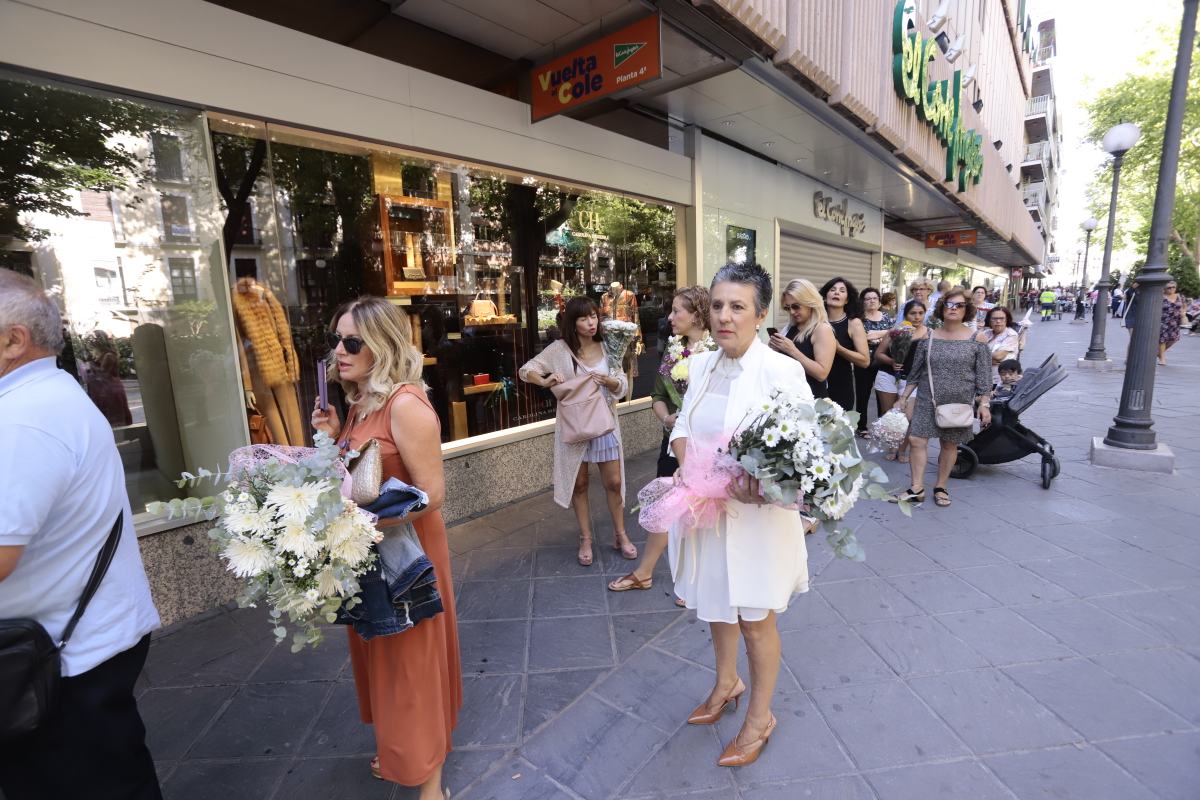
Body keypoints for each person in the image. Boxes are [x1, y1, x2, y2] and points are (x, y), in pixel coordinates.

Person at [0, 270, 162, 800]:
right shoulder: (49, 397)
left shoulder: (22, 420)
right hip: (78, 644)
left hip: (56, 662)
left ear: (12, 340)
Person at [311, 296, 461, 797]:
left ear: (383, 345)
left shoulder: (405, 405)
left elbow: (432, 495)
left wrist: (366, 521)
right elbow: (359, 478)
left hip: (406, 556)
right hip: (371, 552)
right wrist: (334, 439)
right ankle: (403, 746)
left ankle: (431, 783)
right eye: (337, 339)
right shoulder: (358, 404)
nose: (340, 349)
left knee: (412, 663)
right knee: (383, 657)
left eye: (352, 341)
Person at [667, 261, 812, 767]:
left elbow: (803, 450)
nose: (724, 316)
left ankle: (760, 716)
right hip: (706, 510)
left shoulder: (781, 370)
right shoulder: (703, 364)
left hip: (757, 519)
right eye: (718, 305)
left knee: (754, 619)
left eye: (737, 306)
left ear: (761, 314)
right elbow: (681, 428)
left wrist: (766, 482)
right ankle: (727, 682)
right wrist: (692, 472)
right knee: (715, 603)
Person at [609, 286, 710, 597]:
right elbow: (657, 395)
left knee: (701, 512)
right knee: (664, 507)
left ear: (697, 314)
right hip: (673, 441)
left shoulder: (720, 352)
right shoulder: (671, 349)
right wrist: (667, 417)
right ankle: (644, 573)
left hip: (706, 446)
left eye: (677, 310)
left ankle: (694, 581)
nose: (670, 316)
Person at [519, 297, 635, 565]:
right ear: (572, 322)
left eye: (594, 316)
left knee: (614, 483)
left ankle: (620, 534)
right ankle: (585, 538)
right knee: (579, 483)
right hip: (574, 426)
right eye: (584, 318)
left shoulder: (609, 347)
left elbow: (622, 387)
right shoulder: (560, 350)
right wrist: (546, 380)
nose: (591, 322)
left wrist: (610, 381)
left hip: (604, 422)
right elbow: (527, 370)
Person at [894, 288, 992, 508]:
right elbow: (916, 372)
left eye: (959, 305)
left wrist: (984, 404)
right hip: (928, 398)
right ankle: (916, 488)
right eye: (949, 304)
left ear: (967, 310)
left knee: (949, 445)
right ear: (942, 307)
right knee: (917, 440)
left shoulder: (978, 339)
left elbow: (985, 377)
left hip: (958, 401)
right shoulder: (929, 337)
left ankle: (941, 486)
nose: (953, 309)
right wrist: (903, 397)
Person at [873, 299, 929, 462]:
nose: (917, 317)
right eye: (913, 313)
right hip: (888, 376)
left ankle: (903, 449)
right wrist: (892, 361)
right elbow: (879, 354)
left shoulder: (929, 333)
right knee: (890, 415)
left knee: (908, 417)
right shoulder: (896, 331)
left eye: (920, 313)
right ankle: (892, 447)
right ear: (905, 315)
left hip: (912, 380)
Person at [769, 278, 834, 398]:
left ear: (810, 303)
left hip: (812, 399)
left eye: (796, 306)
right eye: (788, 308)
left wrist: (791, 350)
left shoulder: (822, 329)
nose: (792, 312)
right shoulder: (791, 327)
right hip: (790, 397)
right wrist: (775, 348)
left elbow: (822, 373)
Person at [819, 276, 870, 412]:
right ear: (824, 297)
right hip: (817, 383)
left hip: (841, 385)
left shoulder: (854, 323)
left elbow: (865, 361)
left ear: (847, 299)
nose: (836, 292)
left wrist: (839, 348)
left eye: (842, 291)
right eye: (832, 290)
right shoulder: (816, 321)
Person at [856, 287, 893, 435]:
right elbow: (861, 337)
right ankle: (861, 427)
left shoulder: (886, 317)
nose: (871, 301)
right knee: (862, 395)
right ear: (862, 302)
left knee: (881, 395)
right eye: (867, 298)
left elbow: (894, 334)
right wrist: (884, 335)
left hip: (882, 361)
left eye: (874, 298)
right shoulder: (858, 319)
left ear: (879, 301)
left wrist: (877, 335)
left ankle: (880, 427)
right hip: (864, 361)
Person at [86, 349, 133, 426]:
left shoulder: (93, 381)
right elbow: (125, 408)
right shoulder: (115, 382)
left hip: (105, 424)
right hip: (115, 423)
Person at [975, 306, 1021, 385]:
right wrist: (989, 359)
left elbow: (998, 356)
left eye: (1002, 318)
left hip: (1001, 380)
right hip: (982, 377)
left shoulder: (1011, 335)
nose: (998, 321)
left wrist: (981, 357)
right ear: (989, 320)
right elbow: (973, 353)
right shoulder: (986, 333)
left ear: (1007, 319)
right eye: (994, 318)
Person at [1159, 280, 1183, 364]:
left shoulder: (1179, 296)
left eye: (1173, 287)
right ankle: (1162, 358)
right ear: (1165, 288)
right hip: (1164, 321)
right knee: (1163, 340)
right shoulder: (1161, 297)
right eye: (1169, 287)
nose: (1171, 289)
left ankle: (1158, 353)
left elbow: (1183, 306)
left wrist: (1183, 313)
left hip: (1176, 322)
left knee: (1174, 339)